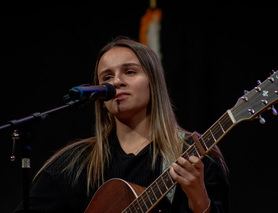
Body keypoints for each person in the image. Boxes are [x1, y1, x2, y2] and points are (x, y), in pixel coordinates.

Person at [14, 37, 229, 212]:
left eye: (129, 72)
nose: (116, 81)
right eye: (107, 77)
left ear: (153, 83)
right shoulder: (74, 165)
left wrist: (200, 200)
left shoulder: (195, 156)